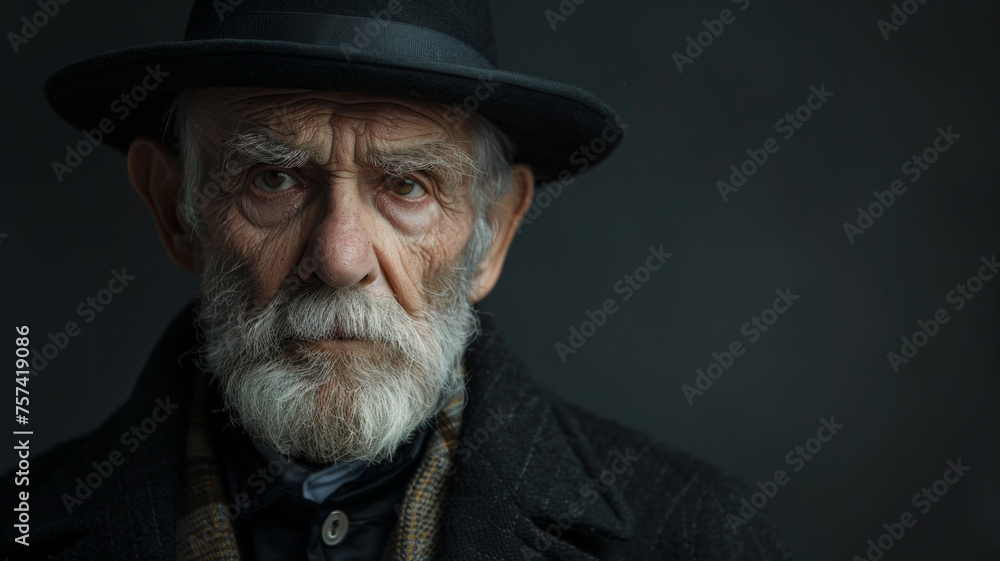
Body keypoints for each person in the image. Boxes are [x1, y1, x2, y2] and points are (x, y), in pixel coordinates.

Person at [3, 1, 793, 559]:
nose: (341, 257)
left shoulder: (701, 538)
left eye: (408, 185)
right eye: (273, 178)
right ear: (175, 210)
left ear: (493, 233)